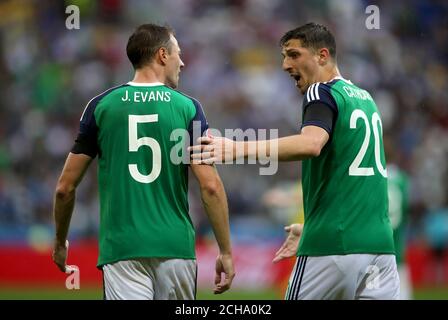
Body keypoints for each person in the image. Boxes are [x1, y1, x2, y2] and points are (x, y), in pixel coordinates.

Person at [190, 22, 399, 299]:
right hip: (380, 250)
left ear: (322, 56)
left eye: (294, 54)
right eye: (284, 56)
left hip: (333, 245)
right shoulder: (366, 100)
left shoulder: (322, 92)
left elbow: (311, 144)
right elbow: (351, 177)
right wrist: (312, 226)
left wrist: (236, 149)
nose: (285, 65)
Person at [52, 23, 235, 300]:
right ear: (162, 55)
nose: (182, 62)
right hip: (176, 248)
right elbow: (210, 186)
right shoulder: (188, 108)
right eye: (178, 54)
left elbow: (65, 188)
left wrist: (59, 242)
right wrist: (225, 251)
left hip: (123, 250)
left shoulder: (101, 106)